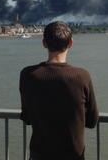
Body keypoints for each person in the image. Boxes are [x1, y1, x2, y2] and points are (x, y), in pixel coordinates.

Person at [19, 21, 99, 160]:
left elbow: (27, 118)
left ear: (44, 43)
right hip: (73, 155)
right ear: (70, 43)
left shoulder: (28, 74)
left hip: (40, 153)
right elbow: (92, 121)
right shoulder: (82, 76)